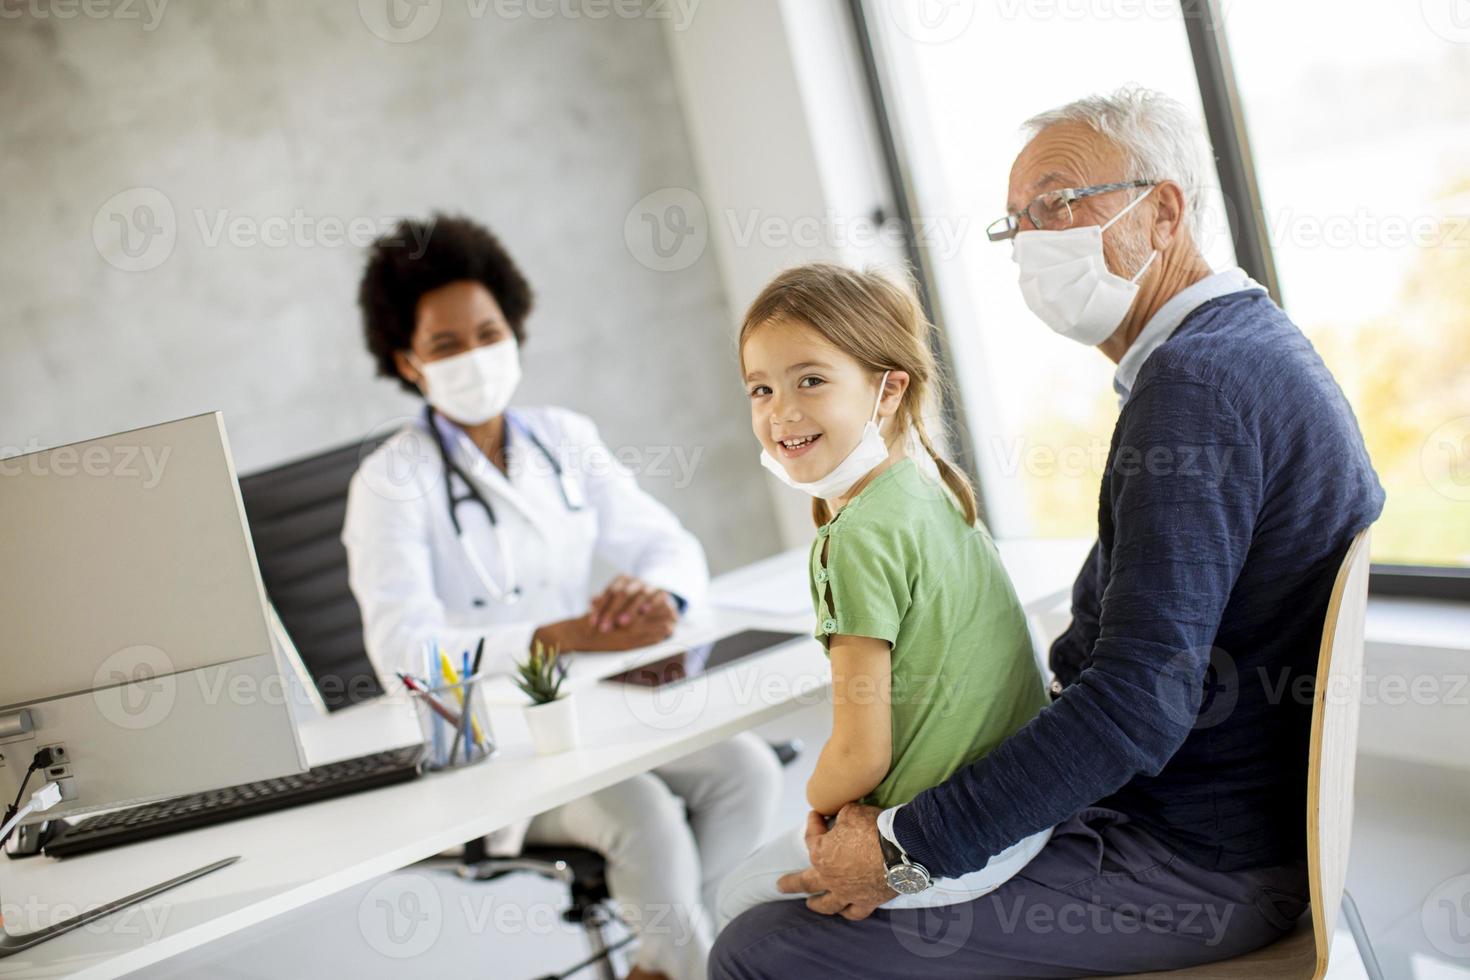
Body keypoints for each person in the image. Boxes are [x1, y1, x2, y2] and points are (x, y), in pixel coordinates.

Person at [711, 88, 1385, 977]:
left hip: (1187, 864)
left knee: (763, 947)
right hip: (1203, 833)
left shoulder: (1195, 388)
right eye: (1015, 223)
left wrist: (908, 841)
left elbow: (1138, 706)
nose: (1034, 239)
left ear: (1165, 212)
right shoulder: (1245, 349)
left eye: (1060, 203)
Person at [343, 213, 781, 980]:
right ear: (408, 362)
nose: (475, 356)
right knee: (644, 818)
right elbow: (401, 656)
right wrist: (563, 635)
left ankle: (680, 961)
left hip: (599, 713)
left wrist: (660, 600)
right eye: (446, 345)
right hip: (487, 745)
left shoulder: (562, 436)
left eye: (488, 332)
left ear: (513, 328)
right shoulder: (390, 480)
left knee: (747, 768)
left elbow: (670, 546)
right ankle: (695, 964)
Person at [713, 263, 1053, 930]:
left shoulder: (855, 537)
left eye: (810, 380)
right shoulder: (932, 488)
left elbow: (859, 755)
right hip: (1016, 818)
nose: (781, 411)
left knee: (733, 902)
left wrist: (814, 803)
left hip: (940, 845)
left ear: (888, 389)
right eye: (760, 388)